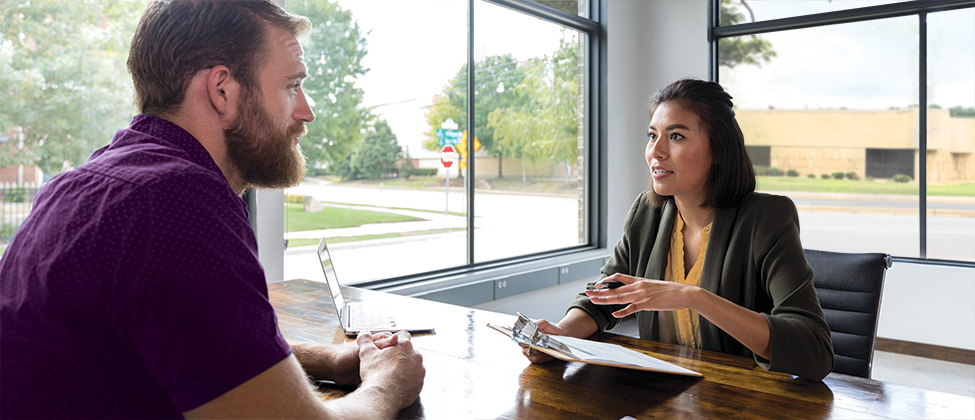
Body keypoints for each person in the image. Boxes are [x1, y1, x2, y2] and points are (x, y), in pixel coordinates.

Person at [0, 0, 424, 418]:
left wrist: (328, 359)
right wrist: (388, 381)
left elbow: (189, 341)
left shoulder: (82, 186)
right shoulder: (174, 205)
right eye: (291, 86)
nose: (306, 112)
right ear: (222, 89)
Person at [521, 79, 834, 381]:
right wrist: (559, 335)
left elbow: (815, 350)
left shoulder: (767, 218)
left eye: (676, 136)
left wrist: (694, 297)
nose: (656, 151)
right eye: (652, 135)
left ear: (719, 150)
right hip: (662, 394)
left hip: (740, 398)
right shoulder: (647, 212)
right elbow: (607, 295)